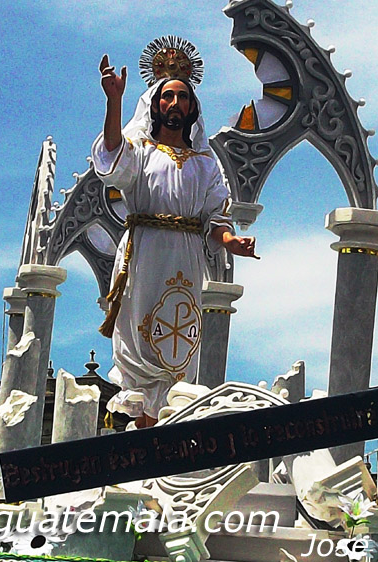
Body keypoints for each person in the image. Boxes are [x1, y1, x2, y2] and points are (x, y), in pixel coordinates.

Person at [91, 38, 258, 428]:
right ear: (155, 104)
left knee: (177, 348)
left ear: (192, 108)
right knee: (139, 345)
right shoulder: (141, 151)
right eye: (167, 97)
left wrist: (231, 241)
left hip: (185, 257)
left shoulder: (205, 164)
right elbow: (113, 157)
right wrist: (114, 102)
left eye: (183, 97)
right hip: (143, 254)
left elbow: (215, 217)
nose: (175, 103)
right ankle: (142, 430)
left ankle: (164, 432)